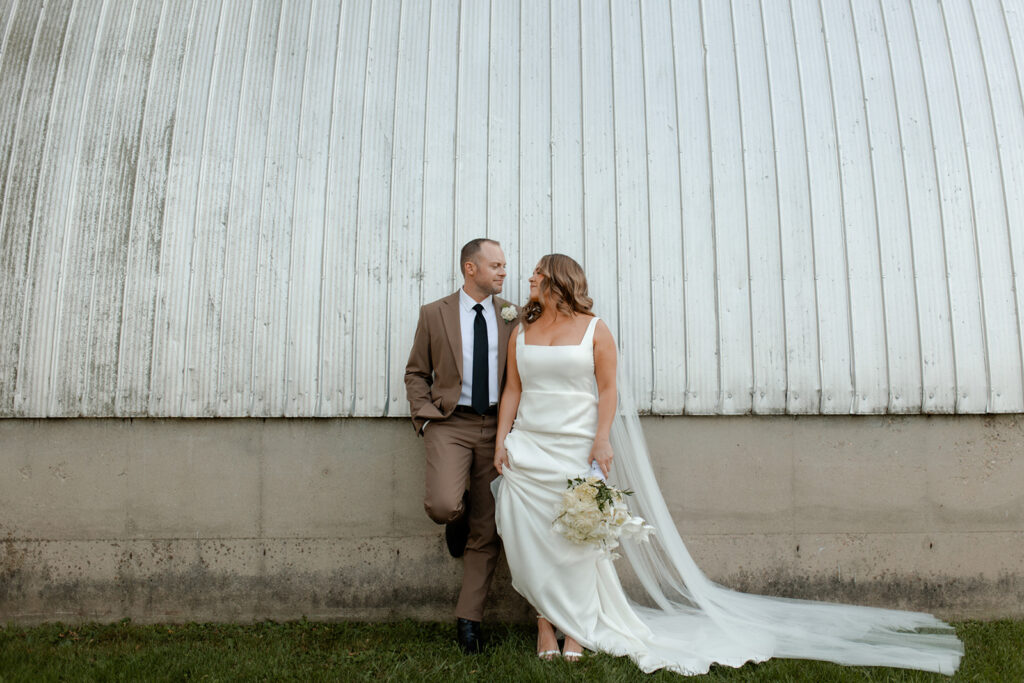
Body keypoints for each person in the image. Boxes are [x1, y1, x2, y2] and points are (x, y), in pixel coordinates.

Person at [492, 254, 963, 675]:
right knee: (528, 539)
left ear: (559, 280)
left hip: (576, 446)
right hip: (530, 448)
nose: (529, 277)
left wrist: (601, 440)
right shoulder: (522, 331)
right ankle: (544, 624)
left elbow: (608, 390)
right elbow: (513, 391)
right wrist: (502, 441)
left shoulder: (596, 329)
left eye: (537, 272)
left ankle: (574, 630)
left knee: (581, 537)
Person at [404, 238, 519, 654]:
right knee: (443, 506)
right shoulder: (434, 314)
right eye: (496, 265)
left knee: (487, 531)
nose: (503, 272)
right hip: (450, 423)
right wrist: (423, 418)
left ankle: (468, 621)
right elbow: (416, 372)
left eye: (504, 265)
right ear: (471, 269)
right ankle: (458, 513)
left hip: (499, 427)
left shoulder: (514, 315)